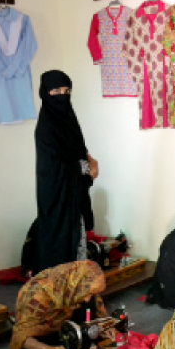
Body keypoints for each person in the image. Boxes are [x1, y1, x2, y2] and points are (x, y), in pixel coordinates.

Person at [26, 70, 99, 277]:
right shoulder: (46, 129)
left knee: (78, 241)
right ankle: (57, 296)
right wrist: (87, 168)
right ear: (45, 93)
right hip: (56, 198)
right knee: (59, 245)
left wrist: (91, 163)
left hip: (73, 195)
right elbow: (53, 168)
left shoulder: (70, 121)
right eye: (56, 90)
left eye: (67, 91)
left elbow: (81, 152)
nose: (62, 96)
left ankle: (77, 293)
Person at [0, 260, 111, 349]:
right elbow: (20, 337)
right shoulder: (35, 294)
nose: (88, 298)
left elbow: (100, 317)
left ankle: (73, 348)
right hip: (41, 339)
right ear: (76, 284)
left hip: (65, 332)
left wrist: (107, 328)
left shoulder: (82, 285)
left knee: (88, 307)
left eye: (92, 293)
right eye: (88, 294)